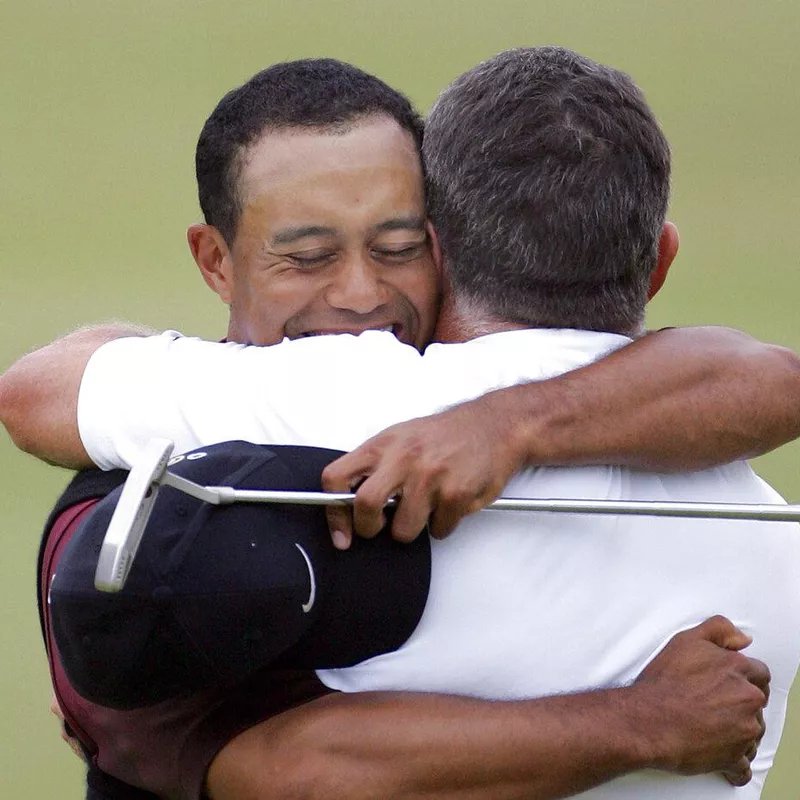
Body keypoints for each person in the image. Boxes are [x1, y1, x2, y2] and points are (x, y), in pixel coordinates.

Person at [2, 54, 799, 799]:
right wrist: (641, 721)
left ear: (443, 250)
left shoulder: (351, 398)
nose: (357, 298)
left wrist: (508, 426)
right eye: (309, 255)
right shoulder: (773, 533)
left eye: (396, 246)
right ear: (661, 261)